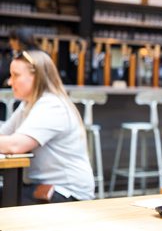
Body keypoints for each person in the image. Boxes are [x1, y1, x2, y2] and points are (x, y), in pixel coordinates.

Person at [0, 50, 95, 205]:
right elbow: (4, 135)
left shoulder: (52, 105)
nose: (10, 82)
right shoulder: (28, 103)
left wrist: (8, 143)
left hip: (67, 193)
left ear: (36, 77)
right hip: (38, 187)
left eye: (15, 75)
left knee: (7, 207)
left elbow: (15, 145)